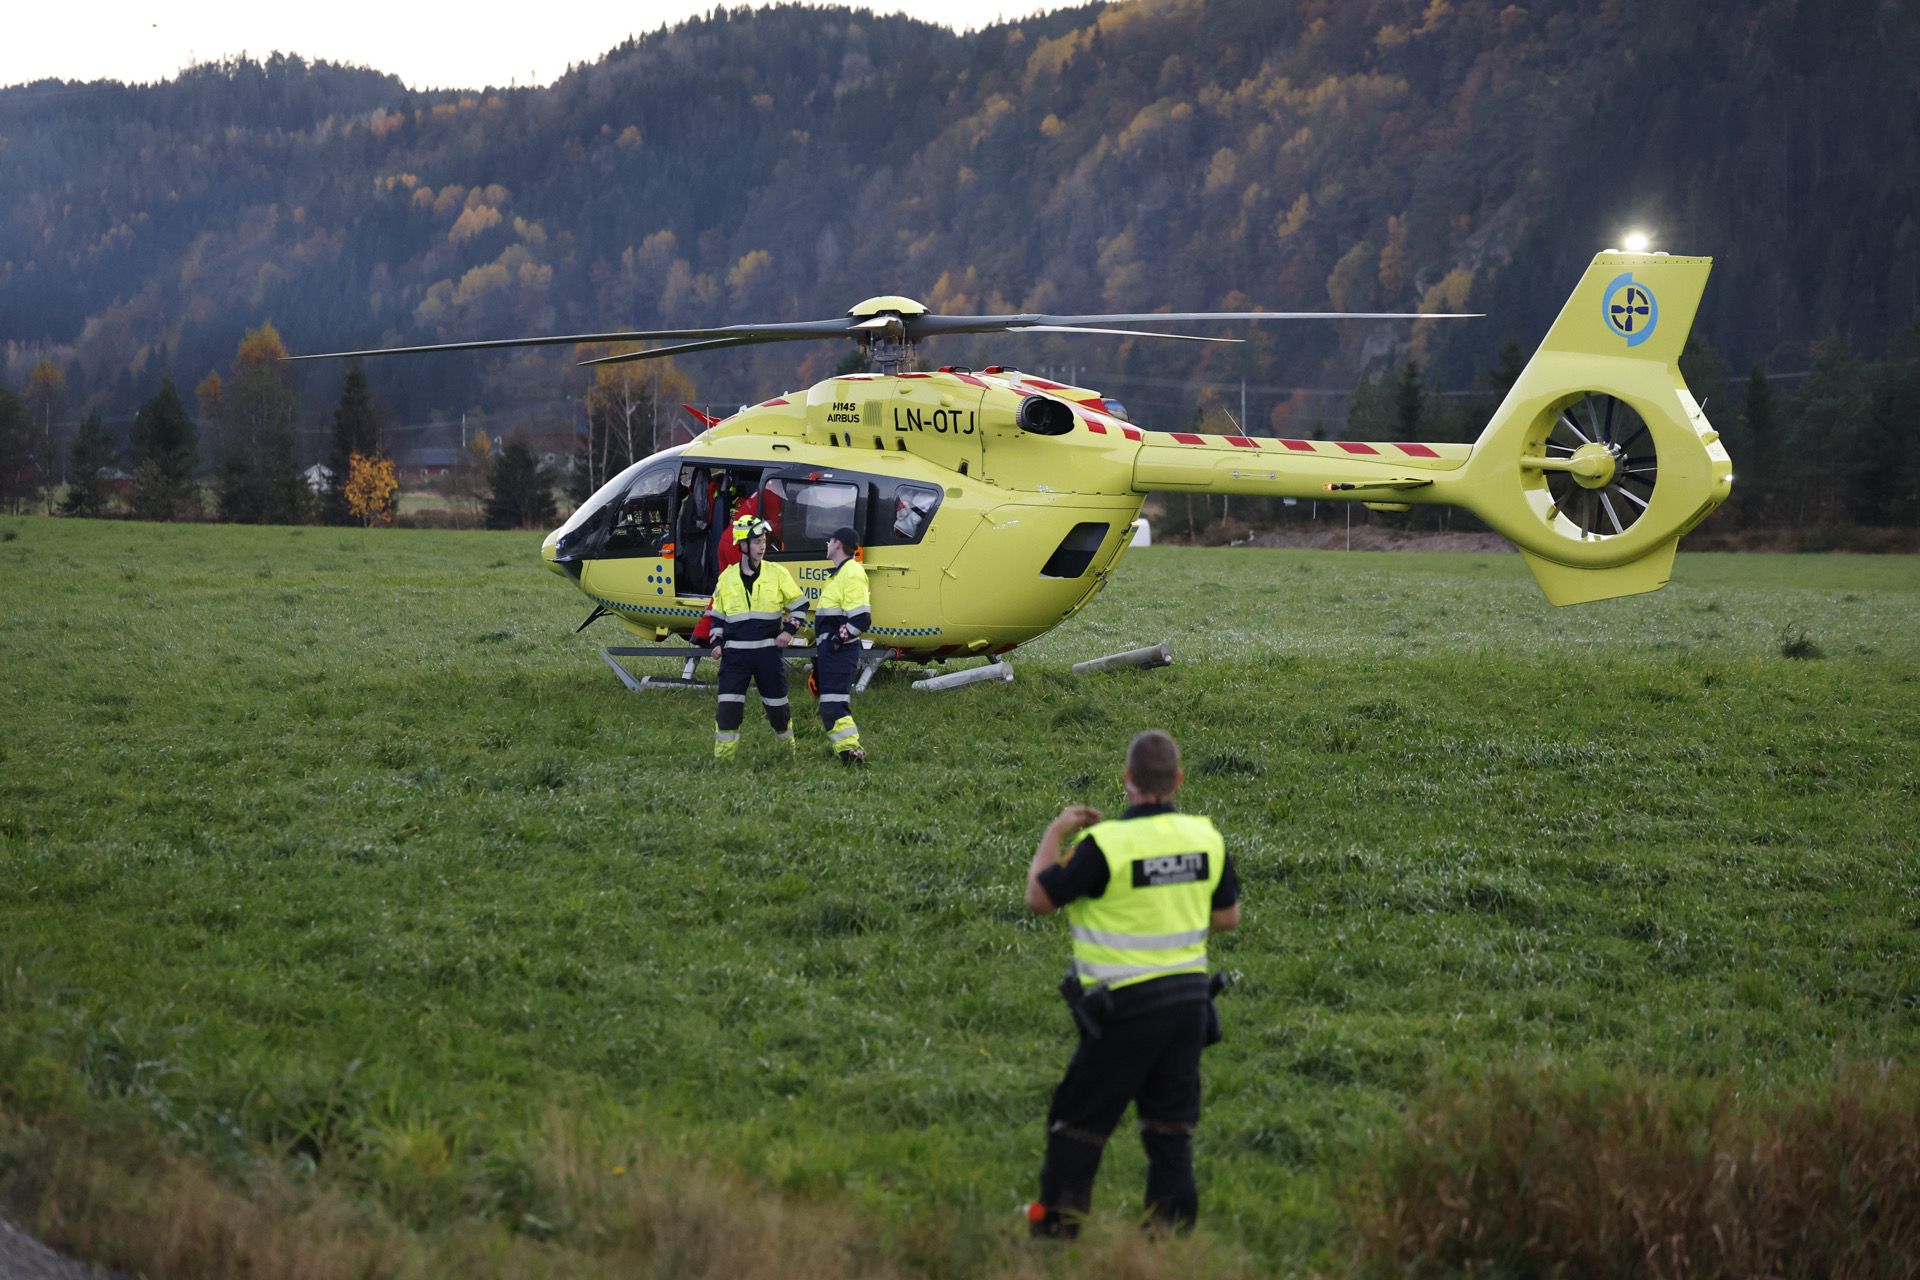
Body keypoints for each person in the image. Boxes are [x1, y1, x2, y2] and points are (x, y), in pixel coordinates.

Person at [1022, 729, 1241, 1238]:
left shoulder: (1104, 844)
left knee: (1076, 1125)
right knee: (1170, 1133)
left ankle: (1056, 1234)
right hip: (1190, 1007)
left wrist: (1056, 833)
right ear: (1178, 780)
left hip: (1122, 1010)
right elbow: (1227, 917)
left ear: (1127, 780)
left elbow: (1040, 899)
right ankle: (1165, 1246)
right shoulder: (1205, 837)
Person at [705, 514, 809, 760]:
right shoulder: (727, 578)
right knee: (728, 709)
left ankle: (787, 754)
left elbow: (800, 605)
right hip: (735, 657)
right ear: (742, 545)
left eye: (763, 540)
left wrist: (788, 631)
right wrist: (716, 643)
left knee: (778, 708)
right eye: (756, 542)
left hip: (767, 655)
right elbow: (717, 617)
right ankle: (723, 761)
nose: (762, 546)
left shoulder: (777, 573)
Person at [812, 525, 872, 765]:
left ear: (837, 544)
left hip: (840, 652)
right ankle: (848, 752)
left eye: (829, 541)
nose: (826, 545)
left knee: (834, 705)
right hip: (831, 653)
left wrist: (838, 640)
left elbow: (861, 618)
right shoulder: (839, 574)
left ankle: (851, 752)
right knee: (830, 705)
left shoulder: (851, 573)